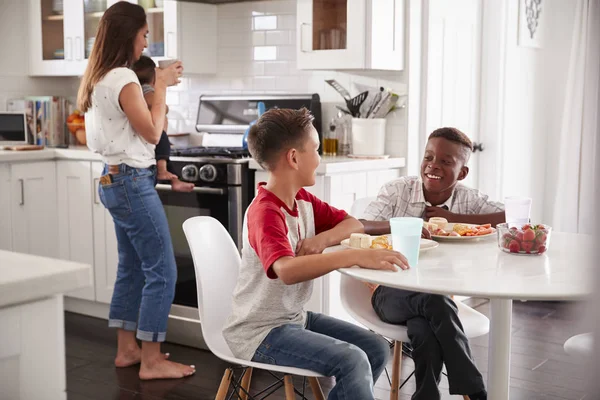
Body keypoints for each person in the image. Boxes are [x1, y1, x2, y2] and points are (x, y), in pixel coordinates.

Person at [222, 108, 407, 400]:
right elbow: (287, 270)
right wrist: (353, 256)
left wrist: (322, 239)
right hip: (259, 333)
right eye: (317, 150)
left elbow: (351, 223)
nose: (320, 158)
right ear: (294, 158)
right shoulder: (265, 212)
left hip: (292, 318)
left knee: (375, 347)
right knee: (352, 360)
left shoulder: (302, 200)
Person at [77, 1, 194, 380]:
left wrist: (157, 86)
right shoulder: (124, 77)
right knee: (162, 269)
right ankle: (152, 360)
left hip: (114, 179)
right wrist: (159, 85)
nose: (146, 43)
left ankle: (127, 350)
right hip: (129, 182)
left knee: (131, 267)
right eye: (144, 35)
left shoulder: (102, 76)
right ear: (130, 34)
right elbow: (153, 132)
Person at [360, 127, 504, 400]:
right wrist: (409, 226)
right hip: (388, 291)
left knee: (424, 327)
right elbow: (362, 225)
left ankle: (425, 396)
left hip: (437, 300)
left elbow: (510, 216)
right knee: (434, 302)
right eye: (428, 157)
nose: (433, 166)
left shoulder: (467, 198)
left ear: (462, 172)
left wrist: (455, 219)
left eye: (446, 161)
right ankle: (475, 389)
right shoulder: (398, 190)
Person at [131, 56, 193, 192]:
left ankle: (174, 180)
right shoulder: (145, 88)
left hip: (150, 135)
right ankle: (163, 172)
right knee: (163, 147)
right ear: (153, 76)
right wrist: (165, 107)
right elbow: (153, 102)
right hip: (155, 132)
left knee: (164, 153)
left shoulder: (136, 88)